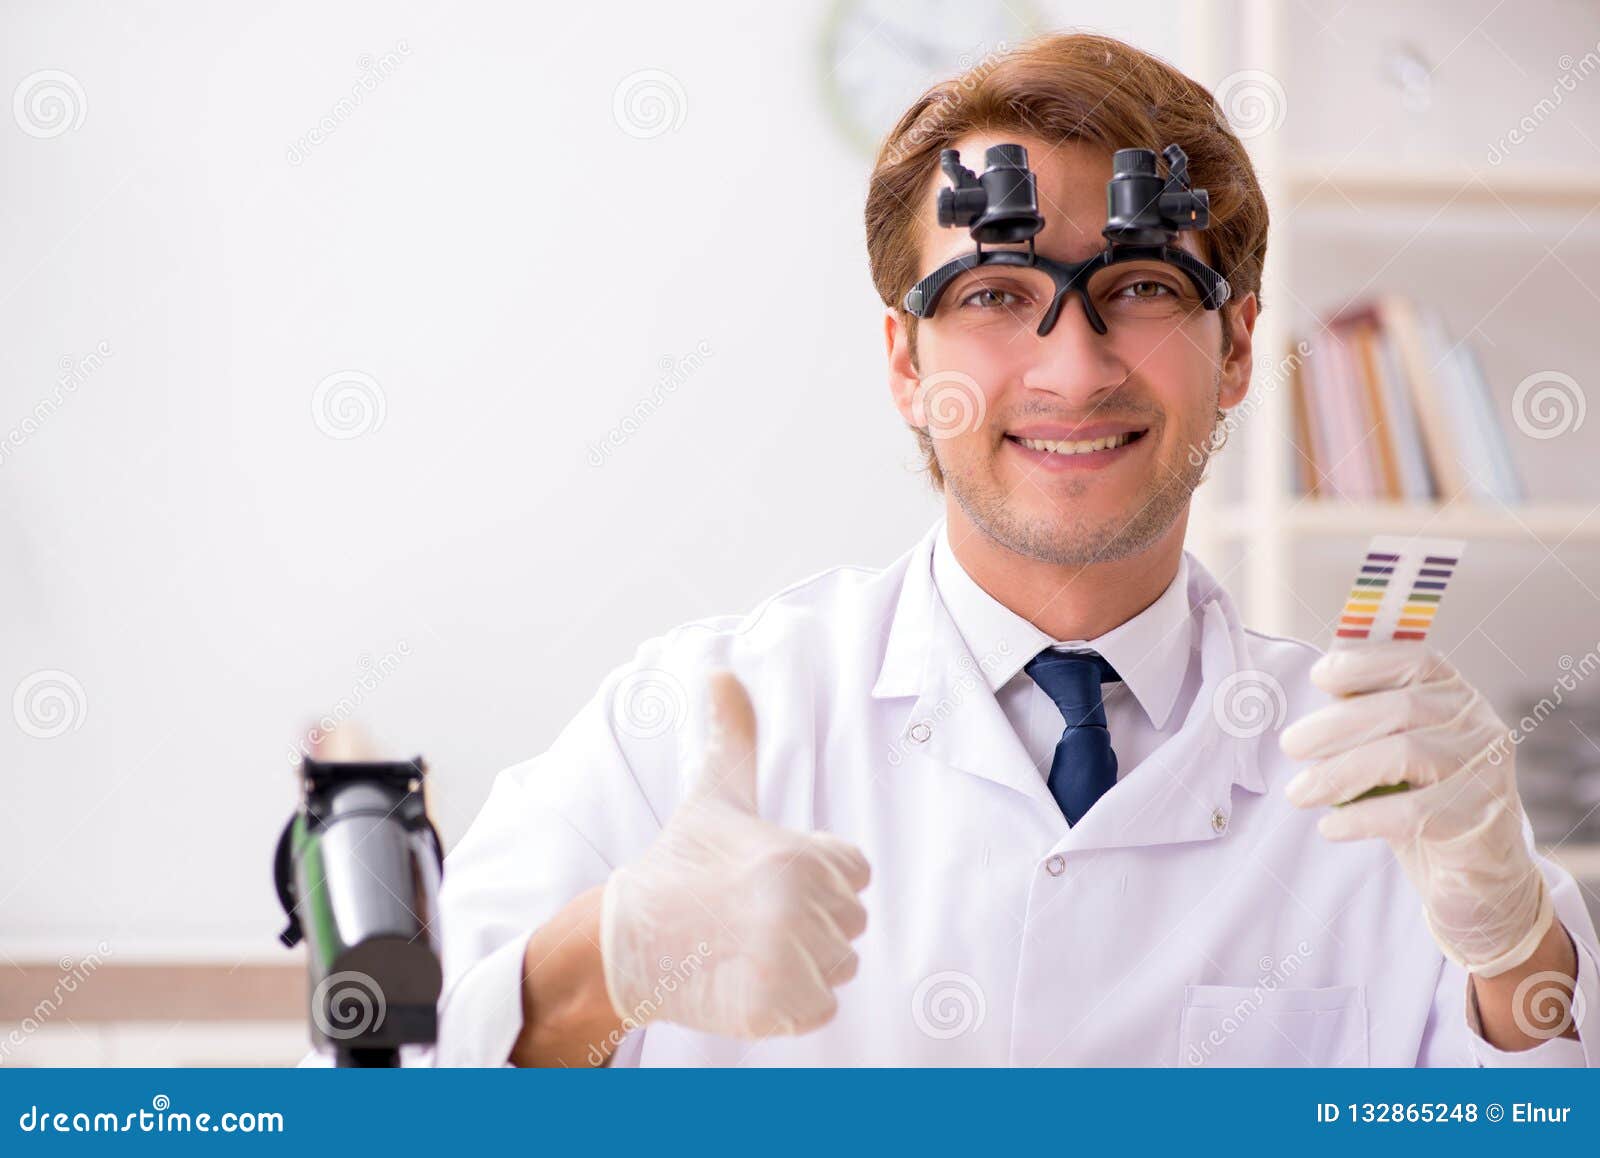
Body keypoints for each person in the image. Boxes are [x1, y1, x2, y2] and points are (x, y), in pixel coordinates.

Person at [433, 31, 1598, 1067]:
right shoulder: (689, 726)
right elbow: (389, 1097)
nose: (1073, 371)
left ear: (1237, 345)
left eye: (1141, 286)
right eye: (994, 292)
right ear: (905, 360)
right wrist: (605, 968)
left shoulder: (1386, 782)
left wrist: (1508, 950)